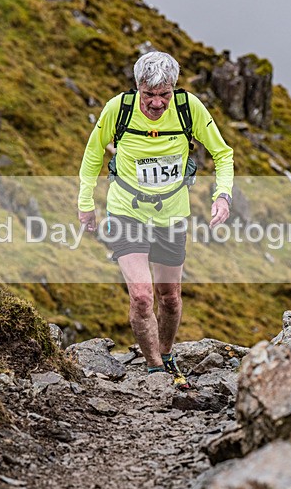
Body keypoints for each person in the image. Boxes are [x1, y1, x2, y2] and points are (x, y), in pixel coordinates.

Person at [77, 51, 234, 388]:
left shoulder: (188, 109)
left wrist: (222, 195)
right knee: (142, 296)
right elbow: (93, 153)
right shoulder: (117, 109)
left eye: (165, 94)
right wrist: (85, 202)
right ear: (137, 88)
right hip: (126, 211)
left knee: (170, 298)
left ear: (174, 89)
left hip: (172, 215)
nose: (158, 103)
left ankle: (165, 353)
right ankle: (154, 369)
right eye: (150, 95)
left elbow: (223, 153)